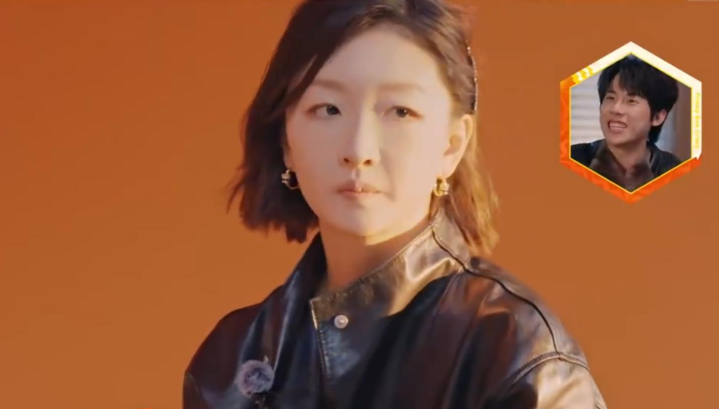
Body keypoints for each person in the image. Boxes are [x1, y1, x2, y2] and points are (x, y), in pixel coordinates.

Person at [184, 0, 607, 408]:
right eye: (328, 109)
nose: (358, 150)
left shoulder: (515, 355)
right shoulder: (230, 360)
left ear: (451, 145)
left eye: (400, 112)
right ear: (286, 142)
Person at [571, 56, 682, 192]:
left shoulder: (675, 172)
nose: (616, 109)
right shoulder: (572, 159)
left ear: (657, 117)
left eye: (631, 101)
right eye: (611, 98)